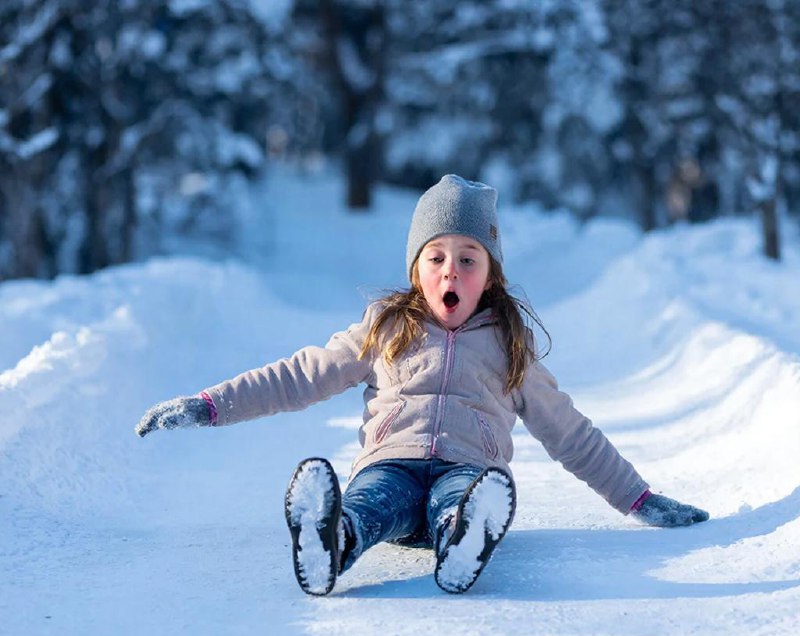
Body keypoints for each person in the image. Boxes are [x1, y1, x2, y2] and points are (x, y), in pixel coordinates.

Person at [136, 175, 709, 596]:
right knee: (371, 501)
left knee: (460, 495)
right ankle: (333, 540)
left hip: (466, 467)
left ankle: (464, 535)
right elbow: (298, 376)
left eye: (469, 258)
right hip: (392, 462)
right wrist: (208, 405)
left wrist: (638, 498)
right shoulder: (385, 328)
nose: (450, 271)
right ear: (416, 269)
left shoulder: (512, 347)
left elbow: (571, 435)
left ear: (490, 275)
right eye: (436, 257)